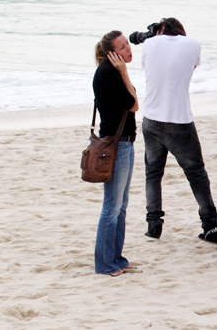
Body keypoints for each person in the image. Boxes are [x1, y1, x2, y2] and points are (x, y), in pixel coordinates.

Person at [141, 17, 217, 243]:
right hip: (180, 122)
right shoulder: (193, 44)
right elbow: (191, 66)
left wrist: (152, 36)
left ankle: (153, 226)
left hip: (151, 120)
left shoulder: (149, 44)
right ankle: (211, 225)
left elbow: (151, 67)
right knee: (196, 174)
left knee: (153, 174)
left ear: (161, 30)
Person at [93, 31, 140, 276]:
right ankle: (104, 264)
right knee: (112, 206)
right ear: (112, 53)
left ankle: (116, 258)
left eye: (128, 44)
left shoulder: (110, 71)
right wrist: (124, 72)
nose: (129, 49)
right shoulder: (110, 73)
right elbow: (134, 104)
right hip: (116, 145)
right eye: (123, 47)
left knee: (120, 206)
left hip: (124, 142)